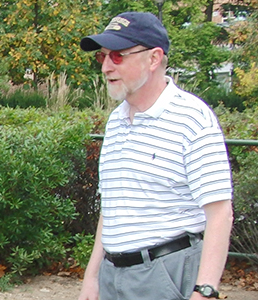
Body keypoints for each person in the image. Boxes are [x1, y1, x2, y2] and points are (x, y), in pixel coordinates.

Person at [76, 12, 234, 300]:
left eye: (118, 56)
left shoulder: (192, 119)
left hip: (166, 275)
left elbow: (220, 213)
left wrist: (205, 291)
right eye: (103, 57)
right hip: (113, 276)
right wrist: (93, 276)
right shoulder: (116, 121)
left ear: (154, 58)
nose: (106, 67)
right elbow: (112, 208)